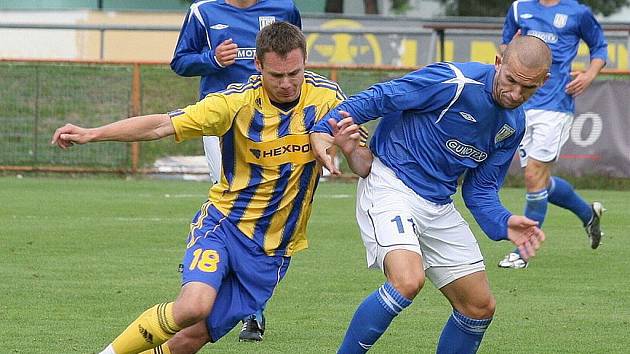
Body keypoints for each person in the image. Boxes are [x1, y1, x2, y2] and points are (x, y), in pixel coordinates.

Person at [52, 22, 367, 354]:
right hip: (225, 226)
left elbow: (363, 164)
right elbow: (161, 125)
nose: (287, 83)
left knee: (190, 339)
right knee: (193, 306)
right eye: (277, 76)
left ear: (305, 61)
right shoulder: (234, 103)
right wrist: (92, 134)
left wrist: (350, 149)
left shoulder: (329, 97)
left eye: (295, 73)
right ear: (258, 66)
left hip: (272, 251)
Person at [309, 35, 549, 353]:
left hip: (438, 205)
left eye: (528, 88)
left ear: (542, 83)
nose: (516, 93)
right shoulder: (454, 81)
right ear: (498, 63)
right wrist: (324, 127)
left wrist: (503, 222)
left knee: (478, 306)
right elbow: (383, 96)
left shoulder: (513, 125)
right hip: (391, 184)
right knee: (407, 281)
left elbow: (481, 190)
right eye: (511, 80)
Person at [170, 0, 302, 339]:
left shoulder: (284, 8)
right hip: (225, 121)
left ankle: (241, 300)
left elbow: (294, 55)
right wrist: (211, 60)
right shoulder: (203, 11)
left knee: (270, 204)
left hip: (277, 124)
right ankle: (223, 290)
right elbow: (180, 61)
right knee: (236, 196)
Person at [498, 0, 608, 269]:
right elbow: (505, 46)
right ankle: (588, 213)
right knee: (540, 183)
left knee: (533, 176)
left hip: (556, 107)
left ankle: (522, 253)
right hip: (522, 104)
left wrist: (589, 75)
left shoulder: (577, 12)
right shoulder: (518, 8)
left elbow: (600, 47)